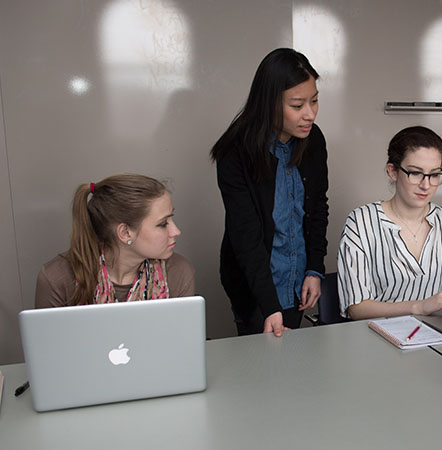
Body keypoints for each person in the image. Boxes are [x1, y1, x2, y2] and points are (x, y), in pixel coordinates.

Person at [210, 48, 328, 337]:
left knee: (291, 367)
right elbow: (244, 234)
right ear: (269, 103)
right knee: (261, 370)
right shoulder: (236, 152)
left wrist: (314, 268)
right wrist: (268, 305)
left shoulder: (313, 141)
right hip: (254, 285)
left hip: (297, 278)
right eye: (298, 105)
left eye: (314, 101)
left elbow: (317, 209)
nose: (309, 114)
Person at [337, 126, 442, 320]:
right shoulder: (361, 222)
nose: (426, 185)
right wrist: (419, 307)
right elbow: (357, 309)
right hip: (377, 337)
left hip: (437, 336)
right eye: (416, 173)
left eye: (434, 175)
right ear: (392, 171)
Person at [35, 174, 194, 308]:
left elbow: (182, 341)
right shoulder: (57, 278)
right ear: (125, 233)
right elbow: (46, 344)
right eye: (163, 224)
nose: (176, 231)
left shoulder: (178, 272)